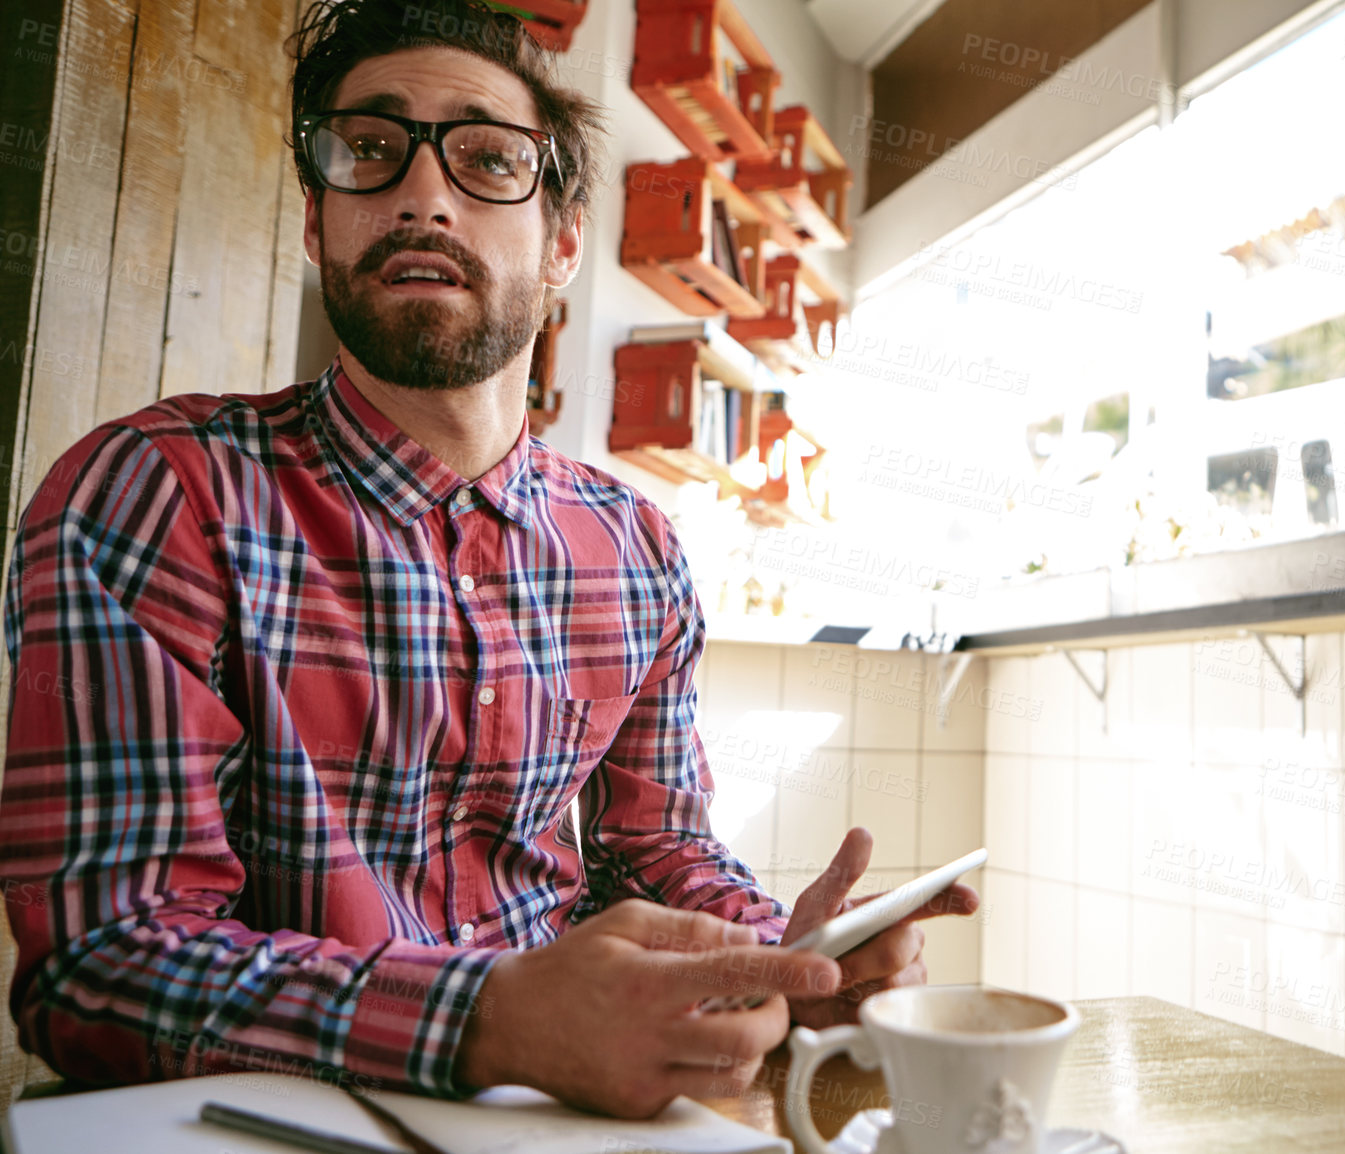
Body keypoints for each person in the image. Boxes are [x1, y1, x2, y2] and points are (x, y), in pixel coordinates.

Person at [0, 0, 976, 1119]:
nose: (423, 195)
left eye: (487, 160)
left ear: (562, 246)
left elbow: (657, 852)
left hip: (567, 1121)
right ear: (317, 226)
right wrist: (490, 1015)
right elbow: (99, 963)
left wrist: (776, 958)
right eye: (369, 151)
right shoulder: (155, 493)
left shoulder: (638, 549)